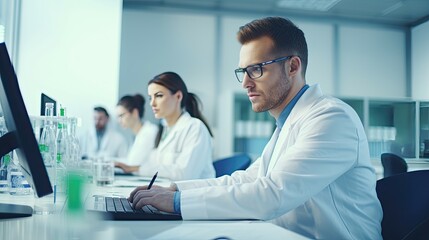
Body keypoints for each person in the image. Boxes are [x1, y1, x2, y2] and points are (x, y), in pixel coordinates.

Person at [127, 17, 383, 239]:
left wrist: (177, 202)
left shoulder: (331, 118)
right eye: (243, 71)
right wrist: (176, 190)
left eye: (256, 69)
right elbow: (248, 179)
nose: (245, 83)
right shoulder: (287, 123)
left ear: (292, 66)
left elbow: (272, 194)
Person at [115, 72, 216, 180]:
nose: (152, 103)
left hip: (192, 194)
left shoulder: (195, 127)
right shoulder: (165, 129)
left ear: (178, 96)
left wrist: (136, 169)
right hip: (166, 191)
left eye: (159, 96)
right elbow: (155, 166)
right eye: (150, 98)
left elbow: (184, 174)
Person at [114, 94, 158, 169]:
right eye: (118, 117)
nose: (119, 121)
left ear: (134, 113)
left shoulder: (149, 132)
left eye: (121, 116)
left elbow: (133, 164)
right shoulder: (139, 134)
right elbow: (130, 161)